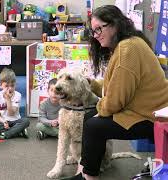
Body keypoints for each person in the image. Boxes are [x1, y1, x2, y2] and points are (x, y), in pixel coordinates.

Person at [64, 5, 168, 180]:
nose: (96, 35)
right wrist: (94, 85)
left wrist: (100, 109)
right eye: (93, 31)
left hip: (152, 115)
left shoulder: (126, 50)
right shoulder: (129, 43)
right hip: (146, 108)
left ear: (115, 25)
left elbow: (114, 102)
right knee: (91, 118)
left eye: (99, 29)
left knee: (93, 125)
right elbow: (119, 84)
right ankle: (83, 173)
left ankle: (89, 176)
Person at [0, 68, 30, 141]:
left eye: (12, 85)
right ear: (1, 85)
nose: (10, 88)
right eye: (6, 86)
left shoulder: (18, 95)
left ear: (15, 85)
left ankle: (3, 135)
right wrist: (3, 121)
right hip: (3, 122)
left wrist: (8, 99)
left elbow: (11, 113)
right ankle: (17, 132)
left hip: (15, 121)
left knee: (26, 121)